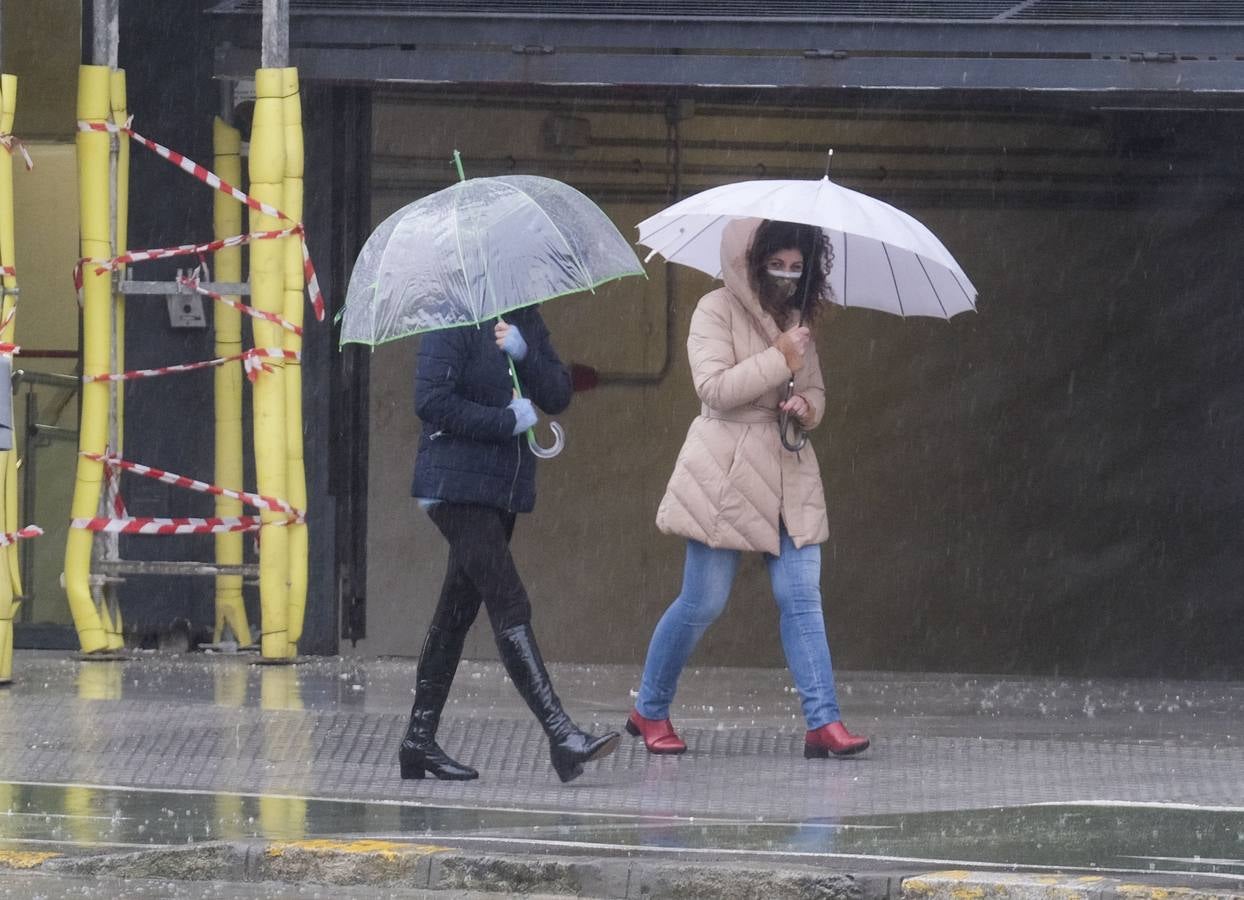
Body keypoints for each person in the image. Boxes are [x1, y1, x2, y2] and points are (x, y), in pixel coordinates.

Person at [627, 217, 870, 760]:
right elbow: (714, 390)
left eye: (796, 267)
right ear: (751, 261)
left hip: (789, 469)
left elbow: (816, 392)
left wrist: (807, 407)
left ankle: (823, 723)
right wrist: (778, 358)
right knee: (703, 601)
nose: (786, 277)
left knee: (801, 597)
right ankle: (649, 708)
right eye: (776, 264)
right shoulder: (714, 310)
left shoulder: (797, 318)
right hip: (727, 472)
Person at [398, 307, 620, 783]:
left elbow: (558, 393)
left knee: (456, 611)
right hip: (453, 488)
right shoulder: (452, 317)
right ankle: (562, 737)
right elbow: (431, 400)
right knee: (508, 600)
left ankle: (418, 741)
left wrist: (525, 351)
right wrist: (504, 420)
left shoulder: (525, 318)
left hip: (499, 490)